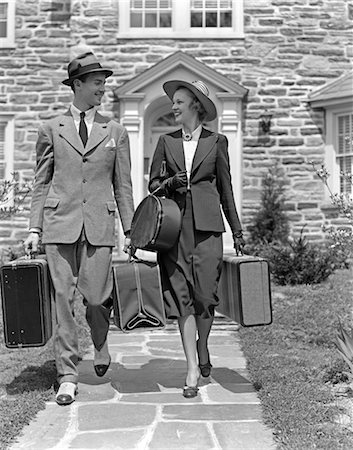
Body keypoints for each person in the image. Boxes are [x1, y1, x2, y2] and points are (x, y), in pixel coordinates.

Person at [24, 52, 135, 406]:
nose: (103, 89)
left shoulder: (115, 131)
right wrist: (34, 228)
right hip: (60, 225)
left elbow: (123, 185)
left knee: (99, 299)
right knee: (62, 302)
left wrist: (130, 229)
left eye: (104, 82)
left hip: (100, 225)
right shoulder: (50, 129)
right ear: (78, 85)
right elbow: (41, 183)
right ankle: (67, 375)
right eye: (97, 83)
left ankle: (100, 344)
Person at [148, 80, 245, 398]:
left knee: (205, 297)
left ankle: (203, 345)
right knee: (181, 300)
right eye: (173, 101)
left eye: (178, 101)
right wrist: (170, 182)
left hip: (207, 230)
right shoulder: (166, 141)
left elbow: (226, 190)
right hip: (174, 232)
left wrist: (237, 230)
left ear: (196, 105)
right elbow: (153, 186)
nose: (173, 106)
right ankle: (192, 366)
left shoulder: (218, 141)